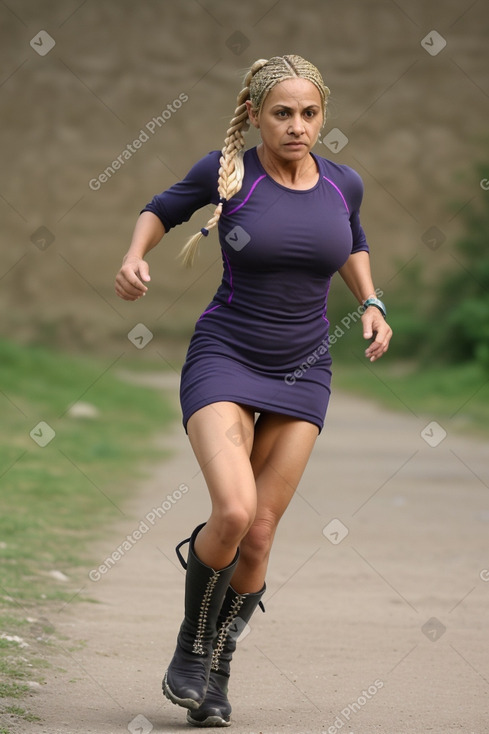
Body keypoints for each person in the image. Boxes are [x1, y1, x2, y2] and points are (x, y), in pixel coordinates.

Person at [115, 54, 392, 728]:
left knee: (261, 535)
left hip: (304, 368)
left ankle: (218, 667)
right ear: (255, 115)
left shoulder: (342, 183)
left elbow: (351, 240)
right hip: (226, 357)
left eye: (308, 114)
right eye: (282, 114)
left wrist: (372, 301)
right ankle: (189, 648)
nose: (297, 127)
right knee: (233, 513)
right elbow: (160, 209)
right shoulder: (228, 173)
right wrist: (135, 255)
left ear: (322, 115)